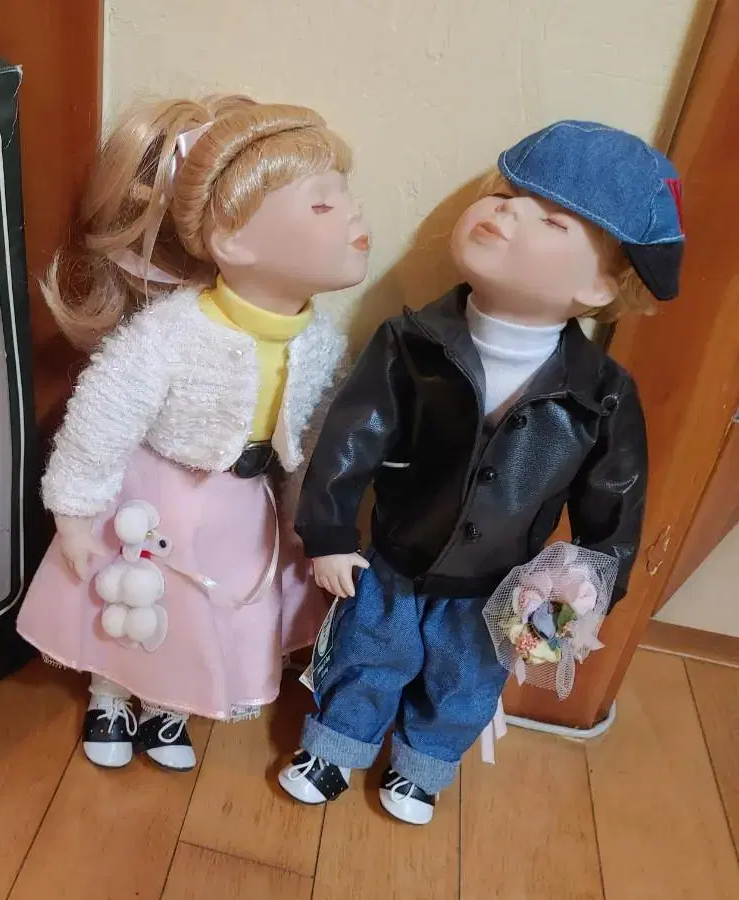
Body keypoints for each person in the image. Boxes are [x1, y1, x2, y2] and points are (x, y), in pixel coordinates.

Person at [279, 120, 683, 824]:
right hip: (394, 561)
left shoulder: (603, 394)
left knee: (466, 680)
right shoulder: (411, 344)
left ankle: (423, 767)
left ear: (598, 286)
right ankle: (336, 744)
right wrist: (328, 532)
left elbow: (613, 514)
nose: (506, 212)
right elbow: (352, 437)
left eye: (550, 219)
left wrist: (571, 607)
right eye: (503, 193)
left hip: (502, 589)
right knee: (369, 652)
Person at [16, 94, 368, 771]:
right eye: (322, 205)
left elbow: (318, 437)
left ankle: (169, 711)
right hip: (157, 496)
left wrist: (310, 521)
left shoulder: (318, 340)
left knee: (209, 614)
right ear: (232, 242)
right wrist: (77, 510)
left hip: (242, 504)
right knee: (133, 604)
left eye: (346, 196)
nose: (353, 214)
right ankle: (111, 694)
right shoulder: (173, 333)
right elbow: (103, 414)